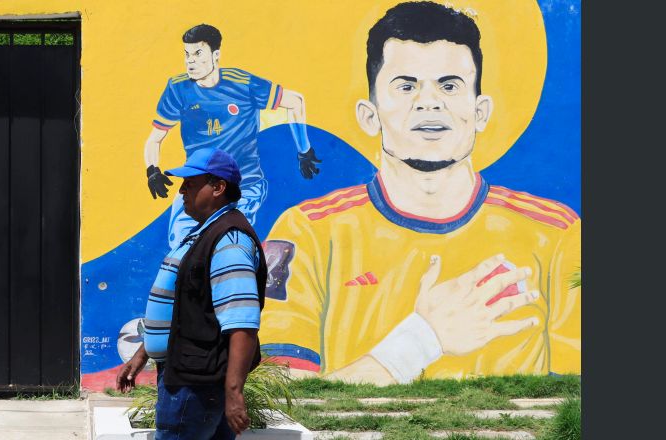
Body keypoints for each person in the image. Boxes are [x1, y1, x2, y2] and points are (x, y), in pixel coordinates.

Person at [258, 1, 581, 384]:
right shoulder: (306, 232)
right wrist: (422, 341)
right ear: (369, 115)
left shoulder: (558, 234)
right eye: (406, 86)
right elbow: (277, 405)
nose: (429, 102)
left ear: (480, 112)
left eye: (449, 85)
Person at [118, 147, 268, 439]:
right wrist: (143, 353)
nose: (182, 190)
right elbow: (181, 308)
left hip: (196, 387)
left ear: (218, 187)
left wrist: (234, 392)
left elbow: (242, 323)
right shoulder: (205, 232)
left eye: (190, 183)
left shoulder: (230, 241)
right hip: (186, 377)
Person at [143, 24, 321, 248]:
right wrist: (152, 170)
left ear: (216, 55)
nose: (191, 61)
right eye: (187, 55)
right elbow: (155, 138)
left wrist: (304, 151)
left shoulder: (242, 84)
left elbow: (295, 102)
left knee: (227, 246)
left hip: (242, 185)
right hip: (197, 185)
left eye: (198, 54)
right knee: (183, 251)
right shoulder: (178, 89)